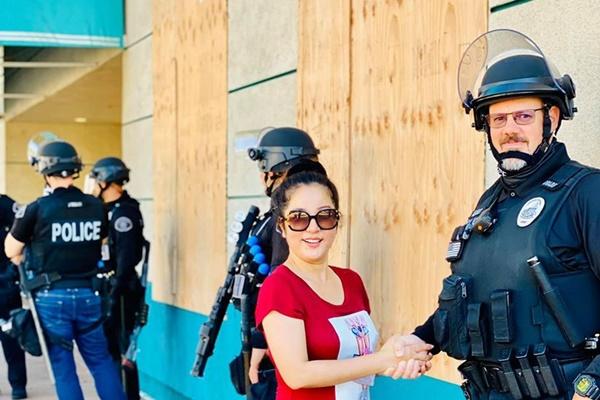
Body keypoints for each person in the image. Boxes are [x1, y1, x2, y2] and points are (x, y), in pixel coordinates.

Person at [408, 29, 600, 400]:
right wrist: (421, 339)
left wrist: (592, 385)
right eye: (498, 119)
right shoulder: (489, 203)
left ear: (552, 118)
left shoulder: (586, 192)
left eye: (523, 116)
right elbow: (467, 299)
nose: (510, 130)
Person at [255, 171, 433, 399]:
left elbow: (358, 364)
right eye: (298, 218)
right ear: (282, 226)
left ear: (337, 222)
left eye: (325, 216)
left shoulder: (351, 282)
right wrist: (382, 360)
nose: (313, 228)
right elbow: (297, 374)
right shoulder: (280, 287)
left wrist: (403, 358)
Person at [4, 141, 125, 400]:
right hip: (89, 294)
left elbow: (10, 249)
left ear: (44, 170)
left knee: (63, 368)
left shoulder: (36, 208)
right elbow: (102, 242)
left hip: (51, 297)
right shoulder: (96, 206)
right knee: (101, 361)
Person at [229, 127, 328, 400]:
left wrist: (261, 341)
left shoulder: (290, 216)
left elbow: (282, 279)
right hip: (272, 330)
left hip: (278, 338)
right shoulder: (278, 213)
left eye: (263, 166)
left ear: (274, 167)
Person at [88, 157, 145, 400]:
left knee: (123, 353)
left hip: (121, 291)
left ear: (106, 181)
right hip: (106, 287)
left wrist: (116, 292)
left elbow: (127, 258)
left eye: (96, 180)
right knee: (107, 350)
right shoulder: (106, 210)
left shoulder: (124, 213)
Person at [0, 195, 27, 399]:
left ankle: (18, 384)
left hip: (4, 283)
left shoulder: (4, 204)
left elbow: (23, 232)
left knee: (11, 335)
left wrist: (12, 271)